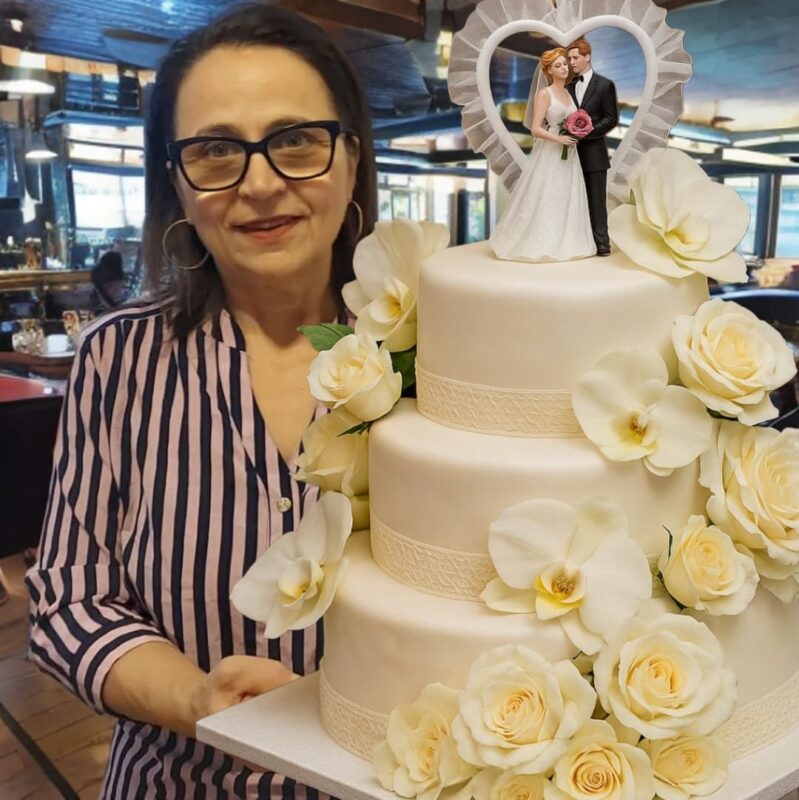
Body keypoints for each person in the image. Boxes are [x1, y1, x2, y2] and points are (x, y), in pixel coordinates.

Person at [25, 5, 376, 798]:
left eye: (295, 139)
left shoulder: (433, 354)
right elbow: (72, 599)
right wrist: (197, 701)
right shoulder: (120, 358)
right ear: (177, 182)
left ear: (351, 157)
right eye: (215, 150)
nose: (260, 182)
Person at [490, 48, 595, 262]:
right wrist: (559, 139)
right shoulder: (544, 94)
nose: (564, 68)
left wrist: (577, 132)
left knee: (566, 193)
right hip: (551, 151)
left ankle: (569, 241)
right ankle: (539, 240)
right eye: (558, 65)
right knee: (546, 190)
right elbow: (535, 129)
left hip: (570, 153)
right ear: (548, 71)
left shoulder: (568, 93)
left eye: (565, 63)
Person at [567, 38, 619, 257]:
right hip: (569, 155)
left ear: (587, 57)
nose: (571, 62)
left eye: (575, 58)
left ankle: (602, 245)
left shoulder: (605, 85)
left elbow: (611, 118)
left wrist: (587, 131)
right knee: (572, 201)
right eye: (569, 58)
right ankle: (578, 243)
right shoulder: (568, 87)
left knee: (597, 201)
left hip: (595, 154)